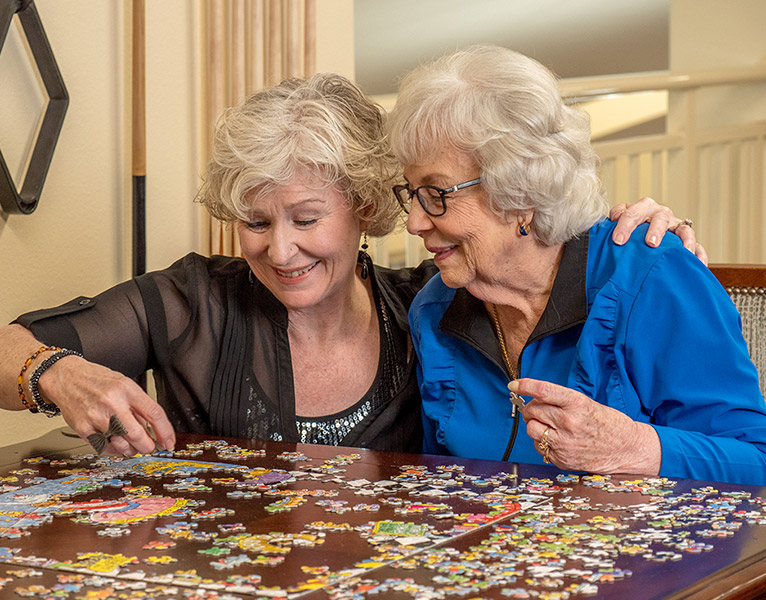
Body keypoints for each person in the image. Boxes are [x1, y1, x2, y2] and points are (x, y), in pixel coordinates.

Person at [0, 73, 699, 457]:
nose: (279, 250)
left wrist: (628, 234)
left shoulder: (431, 308)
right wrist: (53, 371)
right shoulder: (191, 301)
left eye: (306, 219)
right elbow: (8, 348)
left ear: (364, 205)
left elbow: (534, 262)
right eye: (255, 221)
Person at [388, 45, 766, 486]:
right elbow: (441, 488)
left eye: (437, 194)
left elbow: (756, 460)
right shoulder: (433, 311)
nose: (414, 222)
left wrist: (634, 448)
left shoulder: (653, 280)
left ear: (521, 193)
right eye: (411, 193)